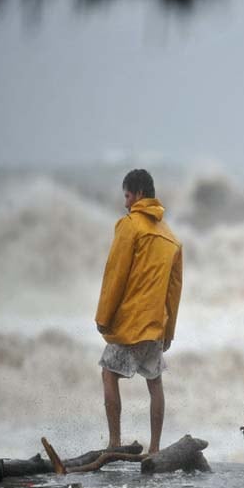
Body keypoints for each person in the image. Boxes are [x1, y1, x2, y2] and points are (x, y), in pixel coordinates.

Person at [95, 169, 183, 454]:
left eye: (128, 196)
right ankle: (155, 449)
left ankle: (114, 443)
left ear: (140, 194)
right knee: (154, 382)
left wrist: (103, 317)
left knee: (109, 374)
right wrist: (168, 331)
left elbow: (115, 274)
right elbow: (174, 291)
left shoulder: (129, 225)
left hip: (131, 324)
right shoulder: (171, 238)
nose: (125, 202)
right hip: (156, 326)